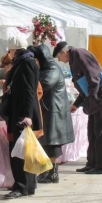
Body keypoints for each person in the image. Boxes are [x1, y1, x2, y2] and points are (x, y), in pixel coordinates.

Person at [54, 41, 102, 174]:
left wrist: (91, 98)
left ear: (64, 52)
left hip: (100, 98)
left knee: (100, 133)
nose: (60, 60)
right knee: (92, 133)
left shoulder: (80, 54)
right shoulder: (73, 58)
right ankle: (92, 163)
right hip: (94, 99)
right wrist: (76, 104)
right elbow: (82, 83)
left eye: (59, 57)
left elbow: (93, 78)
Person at [28, 44, 74, 184]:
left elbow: (44, 84)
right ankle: (47, 171)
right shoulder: (47, 67)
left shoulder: (52, 69)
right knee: (47, 142)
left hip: (54, 112)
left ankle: (53, 174)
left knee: (53, 143)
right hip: (50, 110)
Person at [2, 47, 43, 198]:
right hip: (19, 112)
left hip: (21, 115)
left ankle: (22, 185)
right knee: (21, 149)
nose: (9, 52)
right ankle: (25, 184)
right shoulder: (24, 62)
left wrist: (27, 114)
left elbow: (29, 91)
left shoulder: (27, 63)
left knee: (20, 150)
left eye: (10, 49)